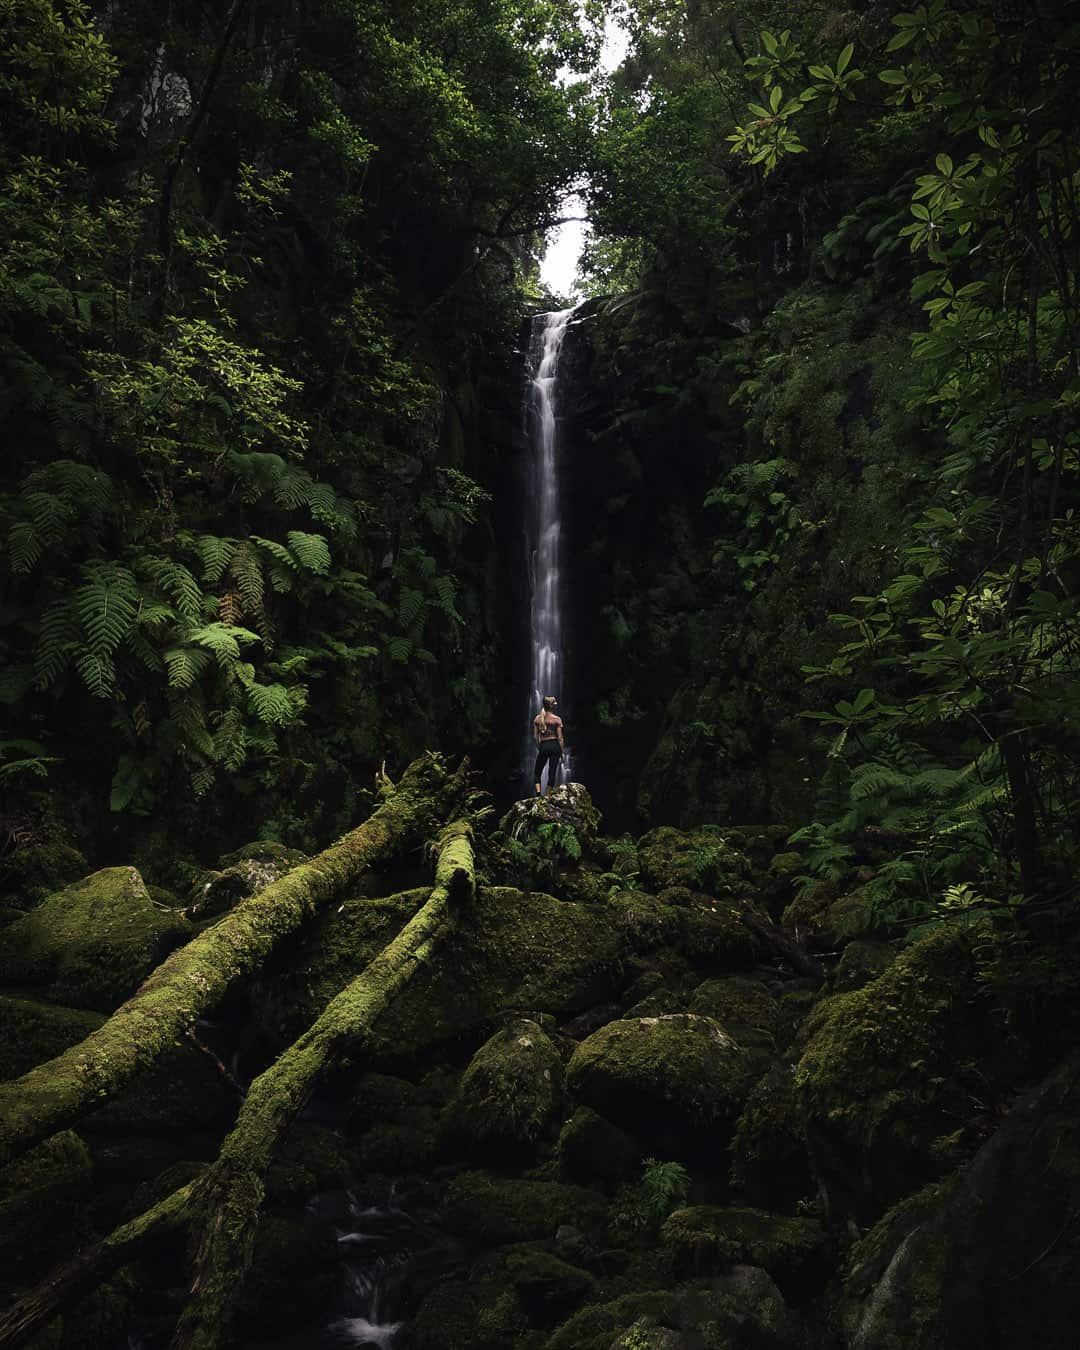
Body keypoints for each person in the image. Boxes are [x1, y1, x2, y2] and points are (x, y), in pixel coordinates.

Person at [533, 695, 564, 797]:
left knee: (537, 772)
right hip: (555, 746)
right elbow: (560, 738)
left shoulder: (537, 719)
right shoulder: (557, 719)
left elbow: (535, 737)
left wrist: (539, 747)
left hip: (544, 745)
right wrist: (561, 751)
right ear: (551, 706)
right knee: (552, 773)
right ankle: (547, 796)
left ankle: (538, 795)